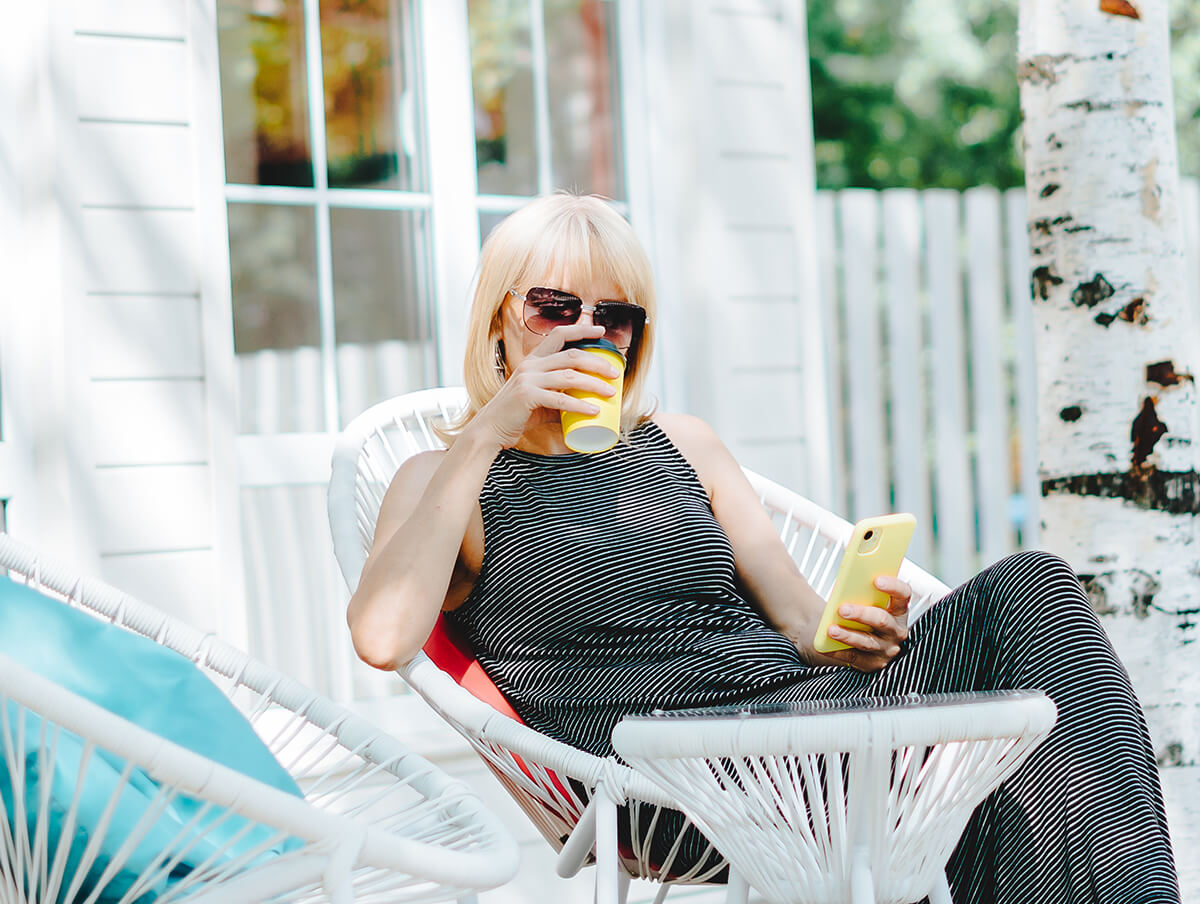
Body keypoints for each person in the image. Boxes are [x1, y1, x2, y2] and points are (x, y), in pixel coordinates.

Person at [347, 192, 1180, 903]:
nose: (586, 335)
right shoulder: (446, 477)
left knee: (1032, 591)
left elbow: (801, 624)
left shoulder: (683, 443)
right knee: (996, 738)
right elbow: (383, 639)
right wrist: (491, 427)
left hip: (812, 721)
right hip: (673, 771)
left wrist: (852, 630)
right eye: (554, 309)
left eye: (616, 317)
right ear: (501, 318)